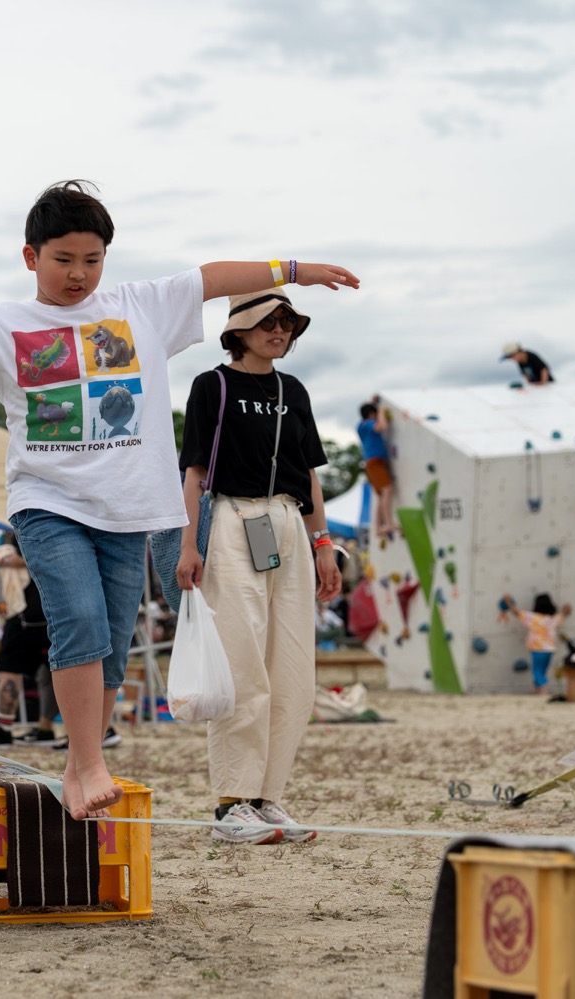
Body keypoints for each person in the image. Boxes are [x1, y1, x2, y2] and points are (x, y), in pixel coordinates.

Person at [0, 179, 359, 819]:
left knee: (112, 639)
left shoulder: (140, 307)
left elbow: (213, 278)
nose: (79, 274)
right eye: (63, 259)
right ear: (31, 257)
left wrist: (293, 270)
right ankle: (91, 760)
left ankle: (79, 766)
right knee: (78, 616)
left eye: (92, 260)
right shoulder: (2, 325)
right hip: (48, 502)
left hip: (129, 509)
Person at [175, 289, 343, 844]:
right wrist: (189, 545)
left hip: (289, 522)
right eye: (269, 321)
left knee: (293, 667)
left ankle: (268, 797)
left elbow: (310, 471)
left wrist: (324, 543)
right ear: (239, 330)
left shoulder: (293, 390)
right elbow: (194, 471)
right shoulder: (213, 385)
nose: (279, 331)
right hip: (231, 519)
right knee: (241, 661)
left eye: (288, 322)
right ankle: (232, 803)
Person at [0, 534, 65, 748]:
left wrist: (13, 560)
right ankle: (46, 729)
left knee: (10, 668)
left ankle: (3, 728)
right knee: (53, 673)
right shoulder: (57, 524)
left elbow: (49, 557)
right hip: (54, 611)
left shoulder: (29, 526)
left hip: (26, 614)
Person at [503, 592, 570, 698]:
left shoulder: (533, 617)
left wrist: (508, 602)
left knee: (536, 670)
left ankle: (543, 689)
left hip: (537, 648)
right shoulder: (552, 619)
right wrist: (566, 608)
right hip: (550, 649)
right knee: (542, 670)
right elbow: (563, 614)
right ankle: (536, 690)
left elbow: (516, 612)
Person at [356, 396, 396, 540]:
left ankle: (379, 527)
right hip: (375, 462)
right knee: (387, 490)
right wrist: (382, 412)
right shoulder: (367, 424)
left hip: (372, 463)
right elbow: (382, 427)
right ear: (372, 414)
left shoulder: (361, 425)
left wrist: (374, 403)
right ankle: (388, 523)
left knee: (381, 495)